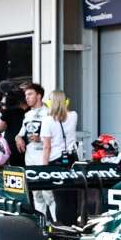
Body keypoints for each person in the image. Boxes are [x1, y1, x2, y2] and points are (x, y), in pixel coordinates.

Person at [15, 82, 55, 220]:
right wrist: (18, 138)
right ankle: (41, 224)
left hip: (44, 156)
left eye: (30, 94)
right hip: (30, 156)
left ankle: (55, 224)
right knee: (36, 192)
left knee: (48, 193)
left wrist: (42, 138)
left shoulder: (49, 112)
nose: (27, 97)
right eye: (26, 95)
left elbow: (56, 138)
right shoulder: (28, 114)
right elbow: (21, 133)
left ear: (39, 96)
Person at [42, 90, 79, 223]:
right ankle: (73, 224)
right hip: (72, 160)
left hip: (55, 161)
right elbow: (65, 113)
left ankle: (63, 227)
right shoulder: (74, 115)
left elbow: (47, 147)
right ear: (66, 101)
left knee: (60, 198)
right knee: (72, 196)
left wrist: (44, 168)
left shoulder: (47, 121)